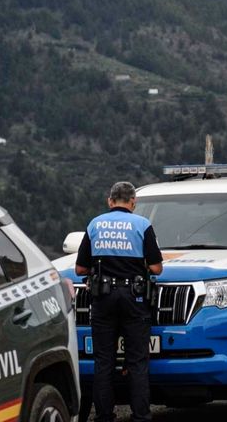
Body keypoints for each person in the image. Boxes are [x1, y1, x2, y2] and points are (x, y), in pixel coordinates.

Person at [76, 181, 163, 422]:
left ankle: (104, 416)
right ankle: (141, 416)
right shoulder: (142, 225)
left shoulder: (95, 224)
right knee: (137, 362)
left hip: (102, 299)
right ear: (133, 202)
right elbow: (156, 267)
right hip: (134, 298)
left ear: (110, 201)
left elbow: (80, 267)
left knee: (103, 361)